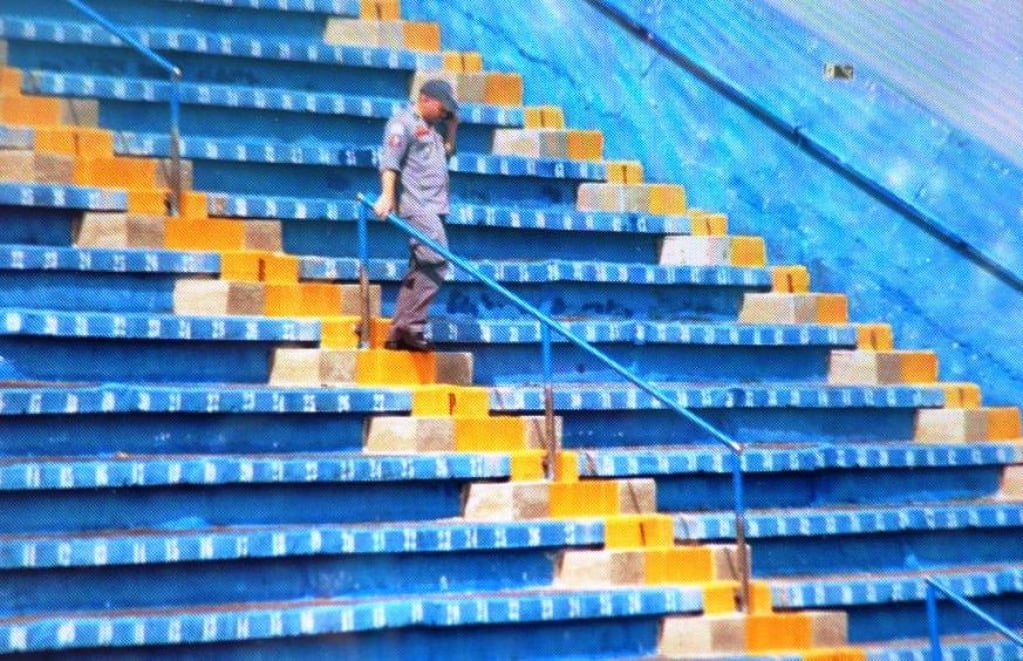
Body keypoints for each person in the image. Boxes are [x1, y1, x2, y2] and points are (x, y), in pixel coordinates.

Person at [373, 78, 459, 352]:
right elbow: (390, 161)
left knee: (421, 266)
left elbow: (445, 154)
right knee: (438, 261)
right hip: (417, 206)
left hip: (435, 207)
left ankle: (398, 332)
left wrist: (452, 128)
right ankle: (411, 326)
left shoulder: (432, 129)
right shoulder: (402, 124)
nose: (445, 114)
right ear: (425, 99)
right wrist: (387, 195)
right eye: (443, 109)